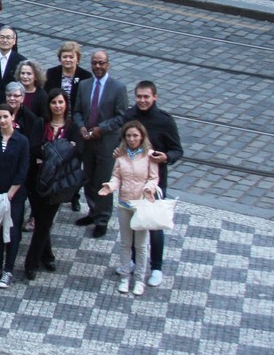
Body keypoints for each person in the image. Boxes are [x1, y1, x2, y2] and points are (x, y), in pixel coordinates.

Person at [116, 81, 182, 287]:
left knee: (153, 224)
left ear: (155, 97)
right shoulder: (129, 116)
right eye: (139, 97)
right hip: (130, 182)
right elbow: (123, 143)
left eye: (146, 97)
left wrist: (166, 157)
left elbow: (177, 150)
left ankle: (156, 267)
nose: (142, 101)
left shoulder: (164, 121)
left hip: (155, 181)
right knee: (133, 224)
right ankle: (135, 261)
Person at [73, 50, 131, 237]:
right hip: (87, 141)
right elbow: (77, 112)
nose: (97, 66)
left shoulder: (118, 88)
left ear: (108, 64)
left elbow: (121, 116)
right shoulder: (84, 85)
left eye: (101, 63)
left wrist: (101, 128)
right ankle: (92, 211)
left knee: (104, 180)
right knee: (88, 179)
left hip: (106, 142)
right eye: (94, 63)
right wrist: (81, 127)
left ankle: (102, 218)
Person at [98, 120, 159, 296]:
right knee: (125, 243)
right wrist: (110, 186)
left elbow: (154, 178)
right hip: (125, 204)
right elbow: (116, 176)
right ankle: (125, 276)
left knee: (140, 245)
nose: (132, 139)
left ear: (142, 137)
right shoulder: (121, 155)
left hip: (141, 205)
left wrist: (149, 188)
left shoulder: (149, 156)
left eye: (135, 136)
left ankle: (139, 279)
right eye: (129, 136)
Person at [22, 89, 73, 280]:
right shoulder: (40, 123)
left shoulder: (71, 127)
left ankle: (31, 263)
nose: (57, 106)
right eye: (54, 103)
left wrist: (49, 152)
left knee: (44, 222)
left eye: (61, 102)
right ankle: (47, 255)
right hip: (36, 180)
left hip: (58, 183)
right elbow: (34, 148)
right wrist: (59, 151)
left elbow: (75, 152)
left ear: (65, 104)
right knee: (42, 219)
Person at [0, 105, 29, 289]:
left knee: (12, 232)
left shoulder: (21, 141)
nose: (2, 120)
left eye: (5, 117)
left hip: (13, 195)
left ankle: (8, 270)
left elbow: (22, 169)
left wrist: (10, 194)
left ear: (12, 118)